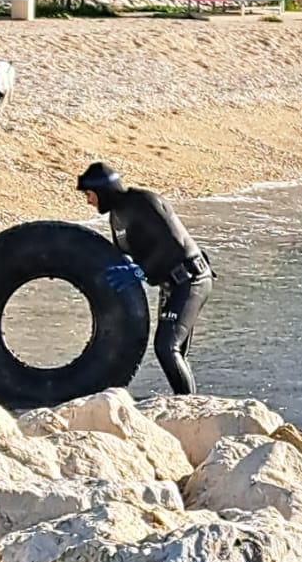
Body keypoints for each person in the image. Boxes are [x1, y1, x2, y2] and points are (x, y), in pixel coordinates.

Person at [77, 160, 212, 394]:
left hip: (191, 279)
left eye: (89, 194)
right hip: (169, 285)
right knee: (174, 351)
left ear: (103, 190)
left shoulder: (144, 202)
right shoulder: (116, 217)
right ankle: (186, 401)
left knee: (166, 347)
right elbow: (121, 254)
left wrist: (140, 271)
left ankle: (188, 406)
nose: (88, 201)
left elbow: (173, 243)